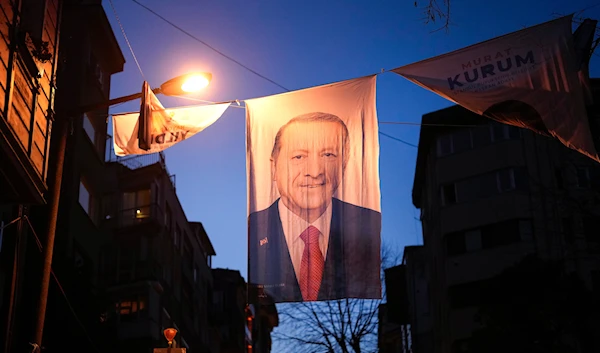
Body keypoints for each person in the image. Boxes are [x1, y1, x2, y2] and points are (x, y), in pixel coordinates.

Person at [248, 112, 381, 304]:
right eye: (299, 156)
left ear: (343, 164)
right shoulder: (251, 230)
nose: (315, 171)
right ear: (274, 167)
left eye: (328, 155)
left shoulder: (369, 225)